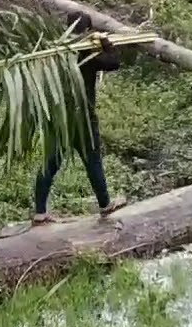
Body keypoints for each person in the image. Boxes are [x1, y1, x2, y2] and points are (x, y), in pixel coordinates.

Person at [31, 12, 131, 226]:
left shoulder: (55, 53)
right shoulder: (86, 53)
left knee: (50, 162)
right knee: (92, 160)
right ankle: (105, 204)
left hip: (59, 117)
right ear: (87, 30)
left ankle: (39, 212)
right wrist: (107, 44)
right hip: (84, 117)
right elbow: (113, 63)